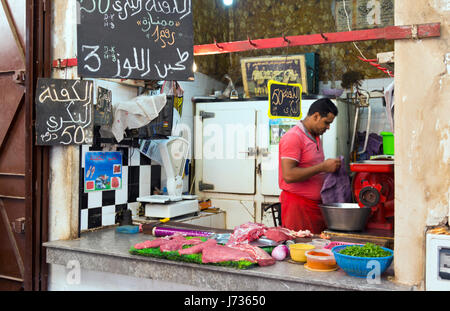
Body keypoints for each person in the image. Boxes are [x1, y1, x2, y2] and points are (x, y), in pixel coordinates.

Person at [278, 98, 341, 234]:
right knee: (300, 248)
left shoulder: (316, 137)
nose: (328, 127)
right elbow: (288, 175)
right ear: (316, 116)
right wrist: (323, 167)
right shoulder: (293, 137)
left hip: (315, 207)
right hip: (298, 207)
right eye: (326, 123)